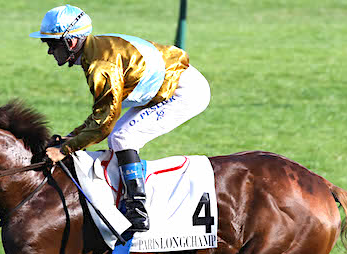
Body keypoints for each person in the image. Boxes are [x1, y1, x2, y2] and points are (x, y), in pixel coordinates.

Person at [30, 4, 211, 232]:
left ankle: (137, 212)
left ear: (71, 42)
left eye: (51, 44)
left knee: (122, 138)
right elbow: (102, 113)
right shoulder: (95, 49)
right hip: (170, 84)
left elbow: (104, 124)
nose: (49, 51)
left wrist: (65, 150)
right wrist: (72, 137)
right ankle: (128, 197)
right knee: (118, 137)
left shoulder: (100, 66)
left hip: (184, 92)